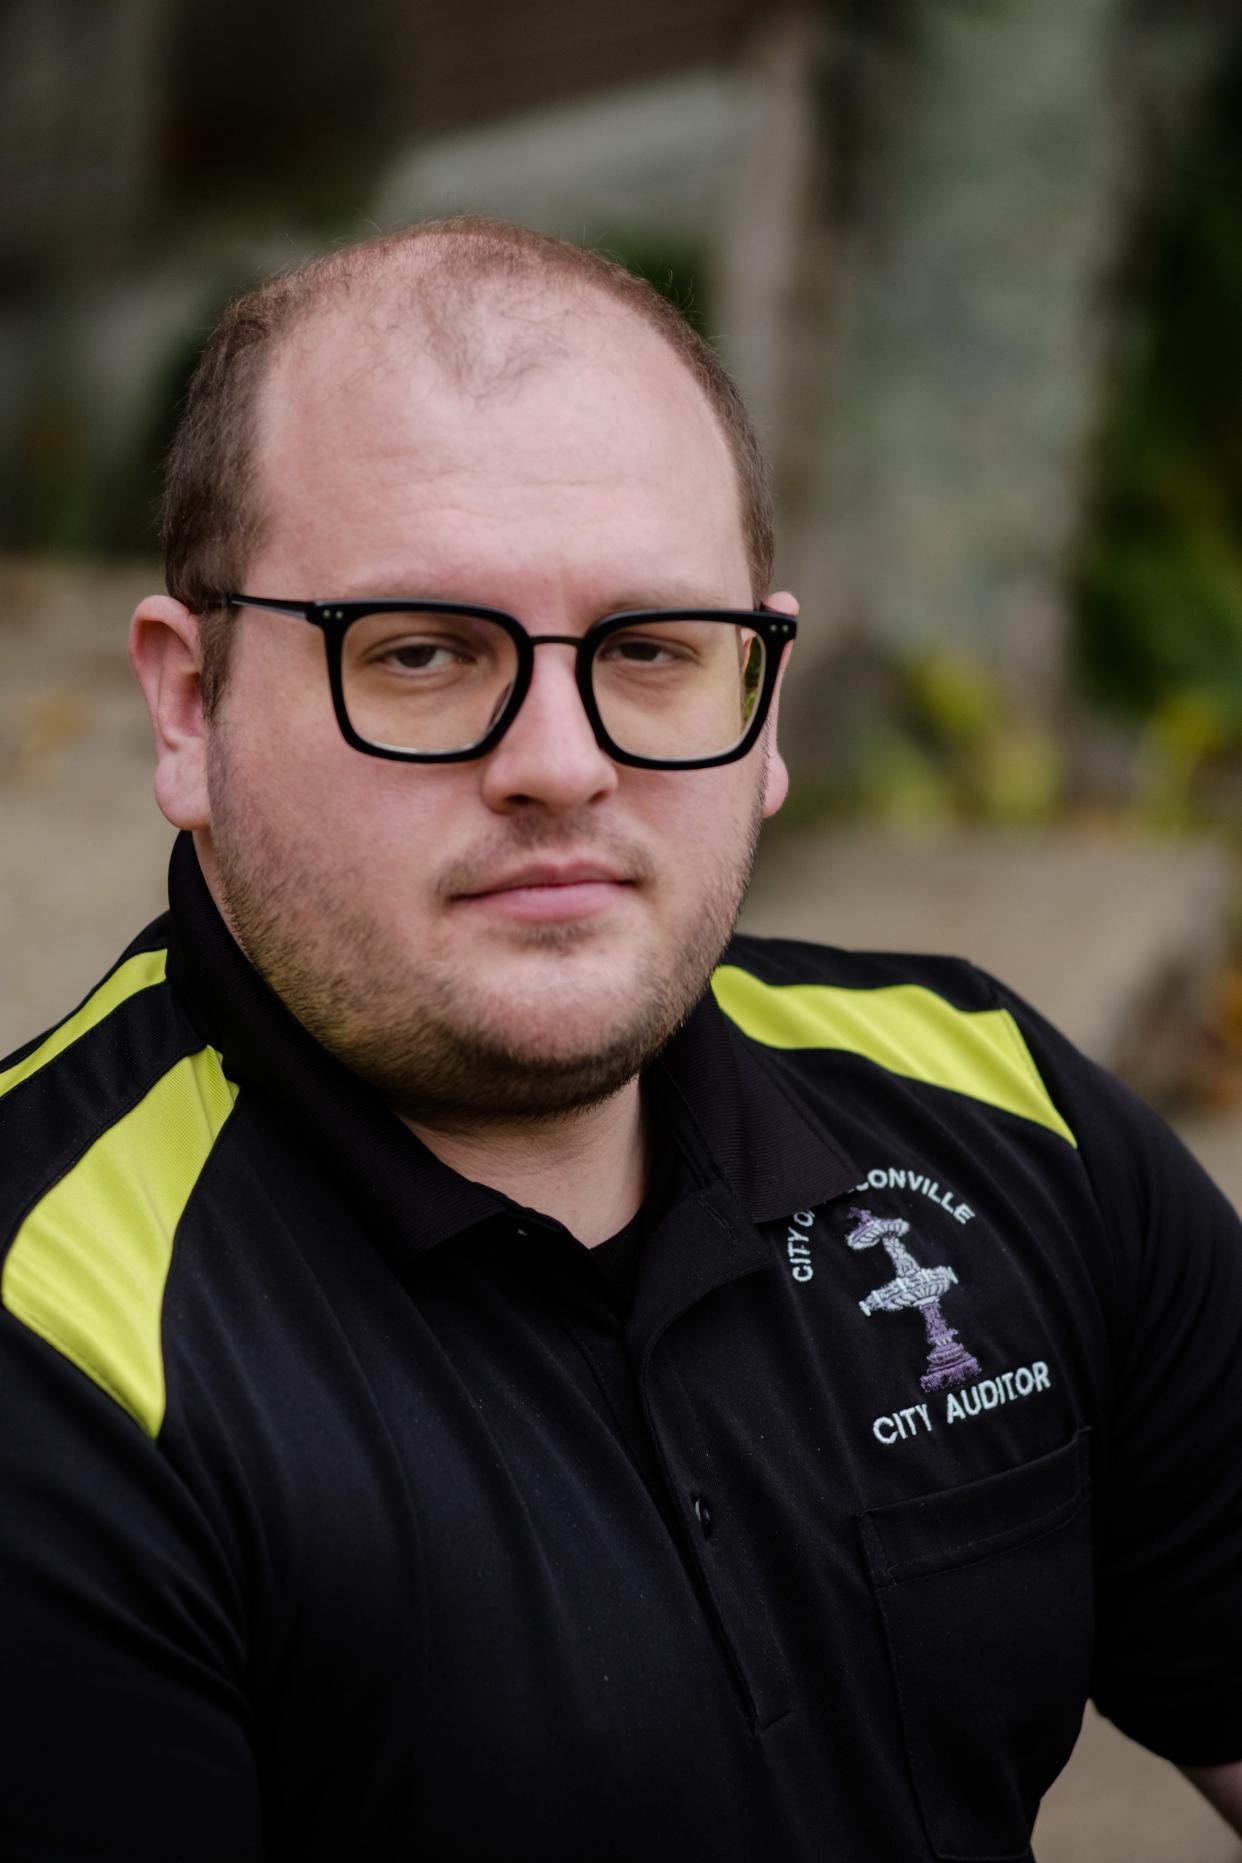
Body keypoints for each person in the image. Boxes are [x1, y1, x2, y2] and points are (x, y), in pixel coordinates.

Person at [1, 215, 1240, 1863]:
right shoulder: (54, 1350)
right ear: (187, 706)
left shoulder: (989, 1105)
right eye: (425, 654)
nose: (562, 762)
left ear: (763, 704)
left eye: (652, 651)